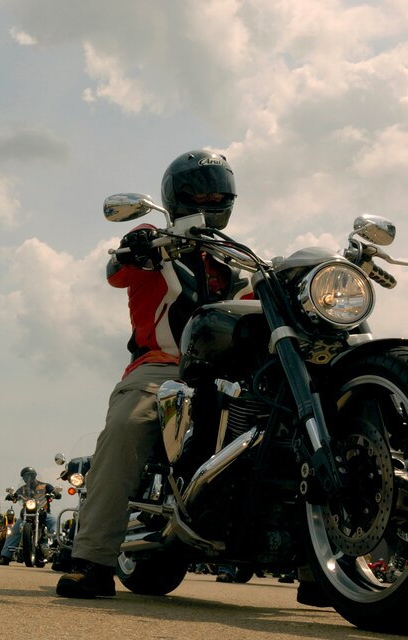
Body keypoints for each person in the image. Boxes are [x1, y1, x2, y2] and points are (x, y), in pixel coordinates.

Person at [55, 150, 253, 598]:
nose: (209, 198)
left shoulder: (234, 260)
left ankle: (319, 565)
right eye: (198, 190)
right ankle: (93, 560)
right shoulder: (155, 240)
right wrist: (138, 246)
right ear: (176, 196)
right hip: (163, 368)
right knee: (128, 427)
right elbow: (117, 271)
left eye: (218, 191)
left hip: (231, 375)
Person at [0, 467, 60, 565]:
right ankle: (5, 556)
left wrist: (55, 493)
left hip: (43, 512)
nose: (28, 478)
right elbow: (15, 496)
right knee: (14, 531)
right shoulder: (22, 489)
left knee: (54, 521)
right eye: (25, 477)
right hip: (27, 513)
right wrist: (11, 496)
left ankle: (57, 542)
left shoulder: (45, 486)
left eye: (29, 476)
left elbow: (53, 492)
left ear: (34, 476)